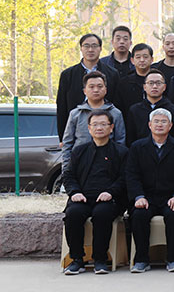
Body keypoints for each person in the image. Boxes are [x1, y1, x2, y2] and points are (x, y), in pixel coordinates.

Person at [127, 109, 174, 273]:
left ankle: (172, 259)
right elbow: (131, 175)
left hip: (170, 197)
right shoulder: (137, 147)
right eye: (156, 121)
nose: (159, 125)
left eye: (164, 121)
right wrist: (138, 196)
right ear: (149, 125)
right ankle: (141, 260)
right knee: (139, 214)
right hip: (146, 197)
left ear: (170, 126)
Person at [62, 110, 128, 275]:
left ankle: (100, 259)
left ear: (111, 128)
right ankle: (77, 259)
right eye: (95, 124)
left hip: (109, 199)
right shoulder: (79, 151)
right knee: (73, 214)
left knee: (102, 213)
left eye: (104, 124)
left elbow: (125, 178)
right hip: (82, 197)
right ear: (89, 128)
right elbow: (68, 175)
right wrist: (75, 192)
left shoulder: (121, 152)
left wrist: (111, 192)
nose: (99, 128)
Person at [57, 33, 120, 141]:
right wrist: (62, 138)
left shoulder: (112, 74)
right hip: (77, 131)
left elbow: (117, 103)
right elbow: (62, 107)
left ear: (100, 48)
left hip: (105, 131)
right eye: (86, 46)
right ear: (81, 48)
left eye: (94, 46)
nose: (90, 49)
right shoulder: (68, 75)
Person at [62, 71, 126, 173]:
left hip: (108, 166)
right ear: (84, 91)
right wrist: (66, 170)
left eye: (100, 86)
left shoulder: (115, 113)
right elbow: (67, 143)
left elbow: (120, 142)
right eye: (91, 87)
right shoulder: (75, 114)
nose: (96, 90)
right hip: (80, 165)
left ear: (105, 90)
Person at [126, 69, 174, 146]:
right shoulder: (135, 110)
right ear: (144, 87)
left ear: (164, 87)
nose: (155, 86)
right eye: (151, 83)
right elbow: (130, 138)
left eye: (158, 83)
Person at [116, 43, 155, 117]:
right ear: (132, 60)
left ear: (152, 59)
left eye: (145, 57)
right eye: (138, 57)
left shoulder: (158, 81)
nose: (142, 60)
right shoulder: (124, 83)